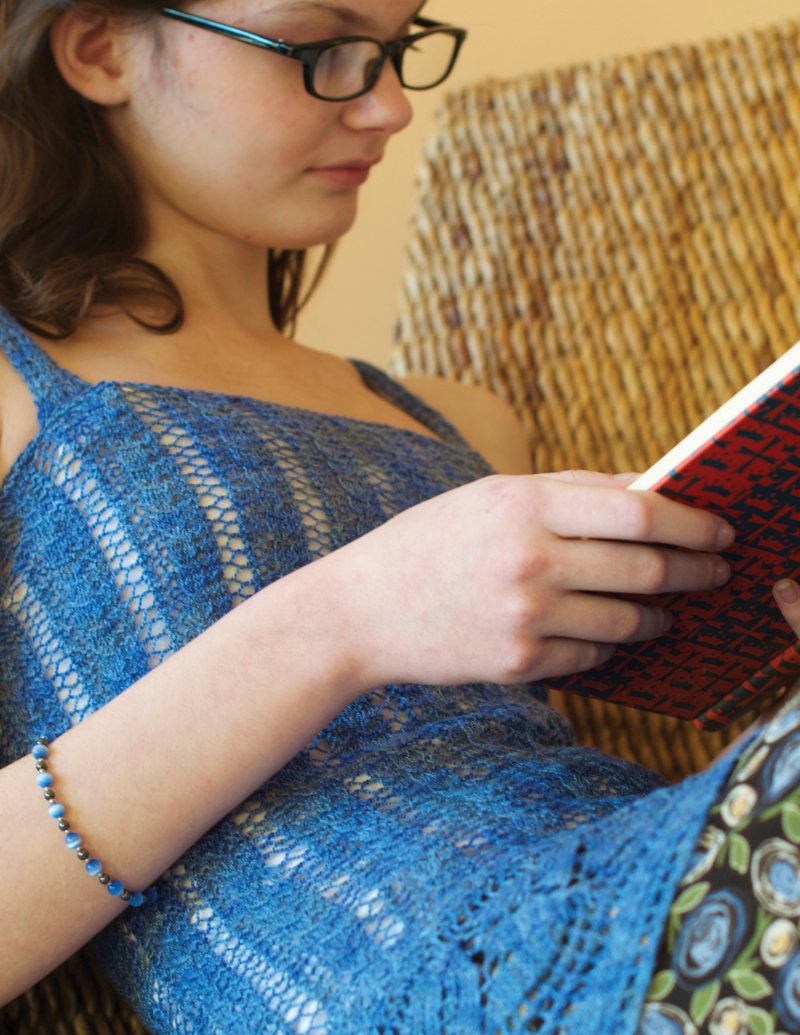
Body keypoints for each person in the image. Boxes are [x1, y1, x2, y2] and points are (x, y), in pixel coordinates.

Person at [0, 1, 799, 1032]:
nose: (388, 106)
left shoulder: (463, 421)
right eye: (320, 49)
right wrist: (349, 616)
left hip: (649, 881)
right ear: (100, 48)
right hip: (436, 986)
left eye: (393, 49)